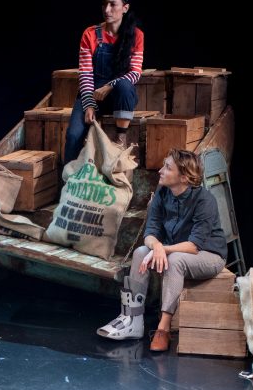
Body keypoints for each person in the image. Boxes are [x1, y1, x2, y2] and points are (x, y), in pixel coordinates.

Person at [97, 149, 227, 352]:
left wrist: (163, 248)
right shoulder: (162, 192)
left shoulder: (204, 200)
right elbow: (151, 231)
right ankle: (132, 320)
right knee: (141, 252)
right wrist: (156, 246)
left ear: (183, 177)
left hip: (208, 255)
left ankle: (163, 329)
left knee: (175, 260)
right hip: (174, 249)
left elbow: (194, 245)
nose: (160, 171)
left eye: (167, 167)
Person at [62, 0, 144, 165]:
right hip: (92, 94)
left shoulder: (136, 35)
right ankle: (68, 178)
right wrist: (89, 104)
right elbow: (85, 73)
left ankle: (121, 138)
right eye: (105, 4)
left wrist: (110, 86)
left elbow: (135, 72)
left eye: (113, 4)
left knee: (124, 85)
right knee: (73, 135)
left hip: (118, 96)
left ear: (125, 8)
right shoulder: (90, 34)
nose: (107, 10)